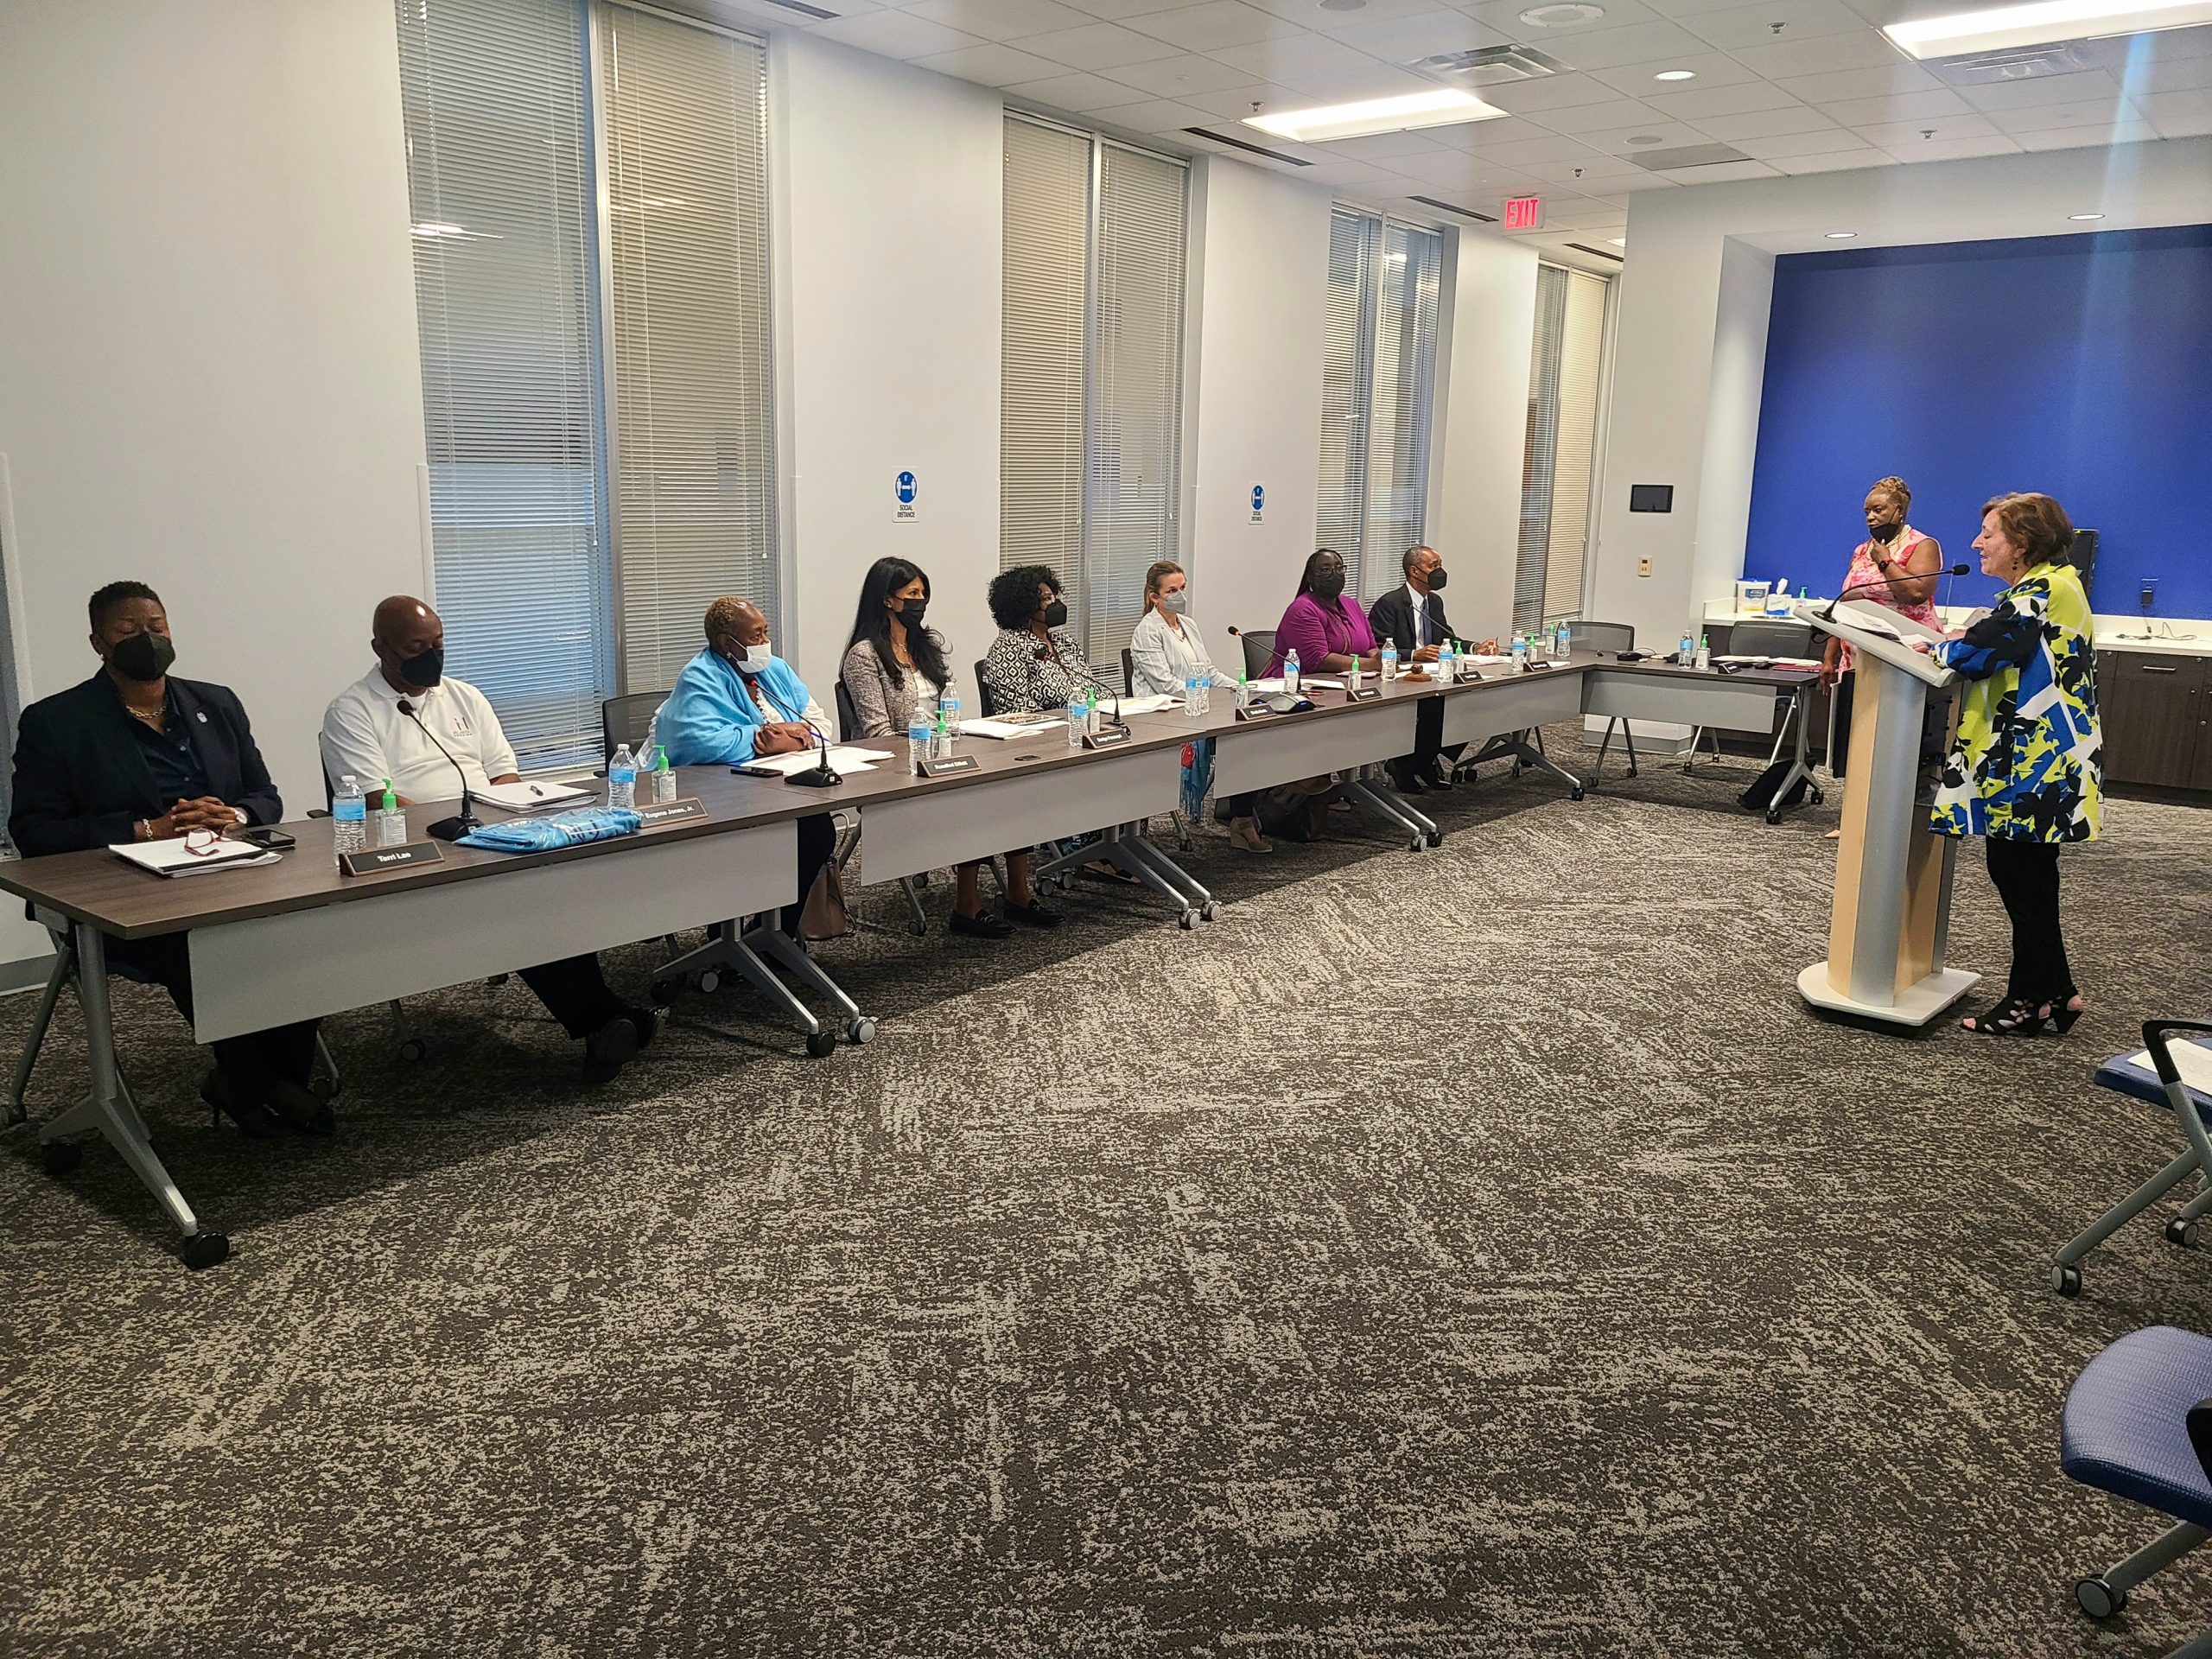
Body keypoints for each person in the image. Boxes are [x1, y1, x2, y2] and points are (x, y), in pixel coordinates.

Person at [7, 582, 328, 1137]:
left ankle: (259, 1083)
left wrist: (233, 816)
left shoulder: (216, 703)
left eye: (157, 626)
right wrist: (146, 829)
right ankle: (260, 1085)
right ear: (97, 643)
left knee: (304, 928)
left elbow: (265, 796)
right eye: (127, 631)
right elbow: (34, 832)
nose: (147, 638)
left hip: (230, 869)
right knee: (207, 947)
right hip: (132, 889)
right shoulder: (56, 722)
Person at [320, 596, 658, 1082]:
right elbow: (378, 800)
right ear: (381, 647)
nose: (432, 654)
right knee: (525, 899)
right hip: (422, 847)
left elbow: (505, 776)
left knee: (549, 884)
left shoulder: (465, 696)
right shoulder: (350, 711)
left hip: (493, 832)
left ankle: (604, 1020)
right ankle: (605, 1018)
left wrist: (500, 823)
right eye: (418, 646)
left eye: (439, 643)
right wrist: (459, 828)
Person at [1920, 493, 2100, 1037]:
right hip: (2045, 758)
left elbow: (1980, 654)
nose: (1977, 544)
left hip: (2033, 764)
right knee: (2031, 881)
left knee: (2021, 880)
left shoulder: (2040, 590)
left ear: (2022, 544)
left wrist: (1942, 647)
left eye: (1989, 536)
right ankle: (2059, 994)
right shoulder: (2054, 584)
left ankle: (2027, 1000)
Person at [840, 558, 1059, 936]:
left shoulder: (925, 645)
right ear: (886, 600)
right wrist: (933, 742)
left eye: (923, 594)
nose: (920, 602)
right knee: (974, 797)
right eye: (911, 595)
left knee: (1011, 785)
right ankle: (966, 906)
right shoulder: (864, 655)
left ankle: (1019, 895)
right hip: (896, 765)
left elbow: (949, 705)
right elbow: (878, 732)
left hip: (941, 752)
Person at [658, 596, 836, 939]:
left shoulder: (776, 670)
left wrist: (786, 739)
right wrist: (762, 737)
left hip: (780, 788)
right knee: (764, 841)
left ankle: (776, 932)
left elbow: (820, 723)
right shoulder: (700, 677)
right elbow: (701, 741)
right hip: (715, 795)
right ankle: (726, 933)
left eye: (766, 632)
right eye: (756, 636)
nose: (765, 643)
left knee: (817, 830)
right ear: (728, 642)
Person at [1819, 477, 1945, 825]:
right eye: (1867, 511)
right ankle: (1856, 820)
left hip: (1904, 656)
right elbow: (1844, 601)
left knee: (1894, 743)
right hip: (1857, 655)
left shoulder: (1922, 545)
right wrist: (1830, 656)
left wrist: (1886, 561)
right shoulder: (1863, 550)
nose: (1871, 517)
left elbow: (1916, 594)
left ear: (1899, 510)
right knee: (1860, 738)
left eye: (1879, 509)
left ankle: (1893, 821)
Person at [1128, 560, 1268, 854]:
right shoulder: (1147, 631)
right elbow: (1165, 684)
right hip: (1164, 714)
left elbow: (1208, 672)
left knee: (1249, 734)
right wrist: (1210, 698)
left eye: (1183, 588)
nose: (1180, 595)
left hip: (1199, 708)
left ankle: (1241, 818)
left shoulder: (1188, 625)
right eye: (1172, 590)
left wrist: (1240, 686)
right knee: (1235, 734)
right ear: (1155, 597)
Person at [1366, 544, 1466, 792]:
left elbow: (1447, 638)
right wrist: (1413, 654)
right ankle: (1406, 765)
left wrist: (1477, 647)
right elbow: (1375, 648)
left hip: (1431, 674)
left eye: (1440, 564)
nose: (1440, 571)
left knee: (1463, 703)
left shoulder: (1435, 601)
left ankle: (1422, 760)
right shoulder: (1390, 603)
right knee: (1434, 707)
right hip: (1399, 676)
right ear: (1414, 571)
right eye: (1434, 566)